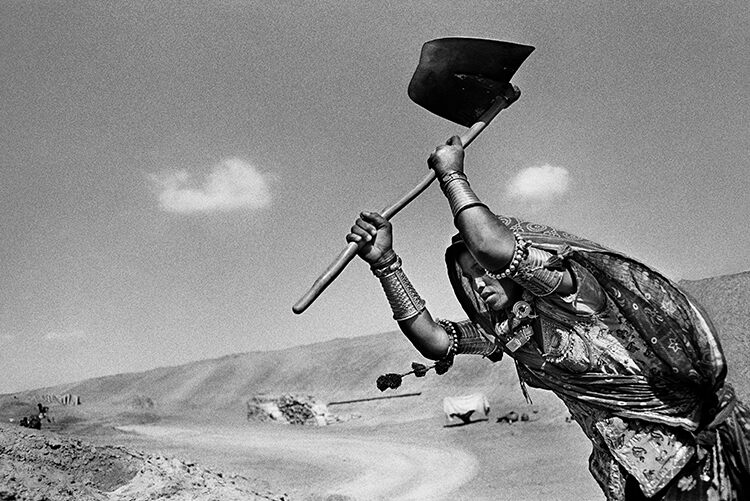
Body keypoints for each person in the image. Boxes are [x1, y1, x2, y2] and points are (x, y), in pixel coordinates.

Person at [346, 136, 750, 500]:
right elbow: (435, 340)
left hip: (689, 455)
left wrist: (452, 177)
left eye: (483, 270)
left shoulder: (573, 288)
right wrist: (385, 263)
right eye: (469, 277)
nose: (479, 283)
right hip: (629, 479)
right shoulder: (506, 330)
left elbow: (492, 246)